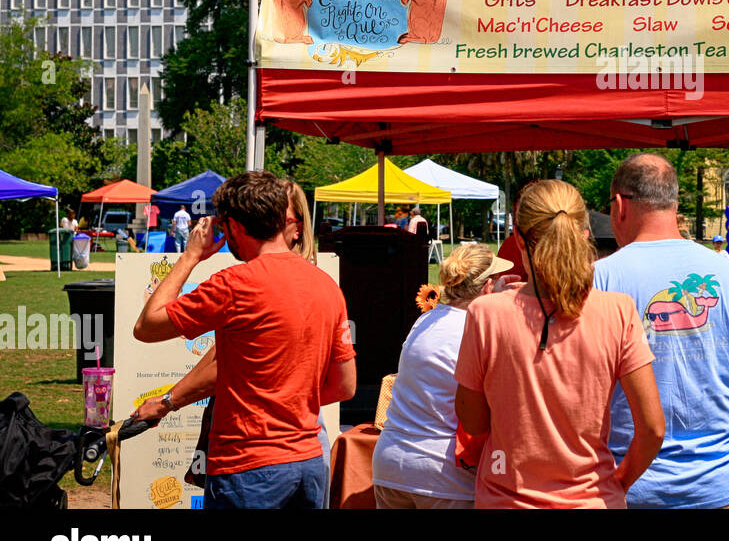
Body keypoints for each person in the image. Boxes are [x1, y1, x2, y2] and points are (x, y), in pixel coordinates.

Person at [132, 171, 356, 509]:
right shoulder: (327, 286)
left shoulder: (234, 284)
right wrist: (287, 400)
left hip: (247, 465)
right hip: (309, 461)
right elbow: (344, 386)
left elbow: (147, 326)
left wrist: (191, 255)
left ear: (235, 226)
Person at [453, 180, 664, 508]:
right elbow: (652, 429)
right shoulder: (619, 311)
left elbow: (473, 421)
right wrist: (616, 484)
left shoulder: (486, 313)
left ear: (519, 238)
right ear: (584, 233)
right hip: (593, 499)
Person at [595, 154, 729, 509]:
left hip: (627, 486)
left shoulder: (600, 278)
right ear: (674, 204)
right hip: (722, 486)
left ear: (619, 205)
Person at [373, 244, 512, 508]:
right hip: (442, 474)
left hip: (391, 462)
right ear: (486, 288)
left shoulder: (425, 321)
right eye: (495, 281)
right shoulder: (478, 330)